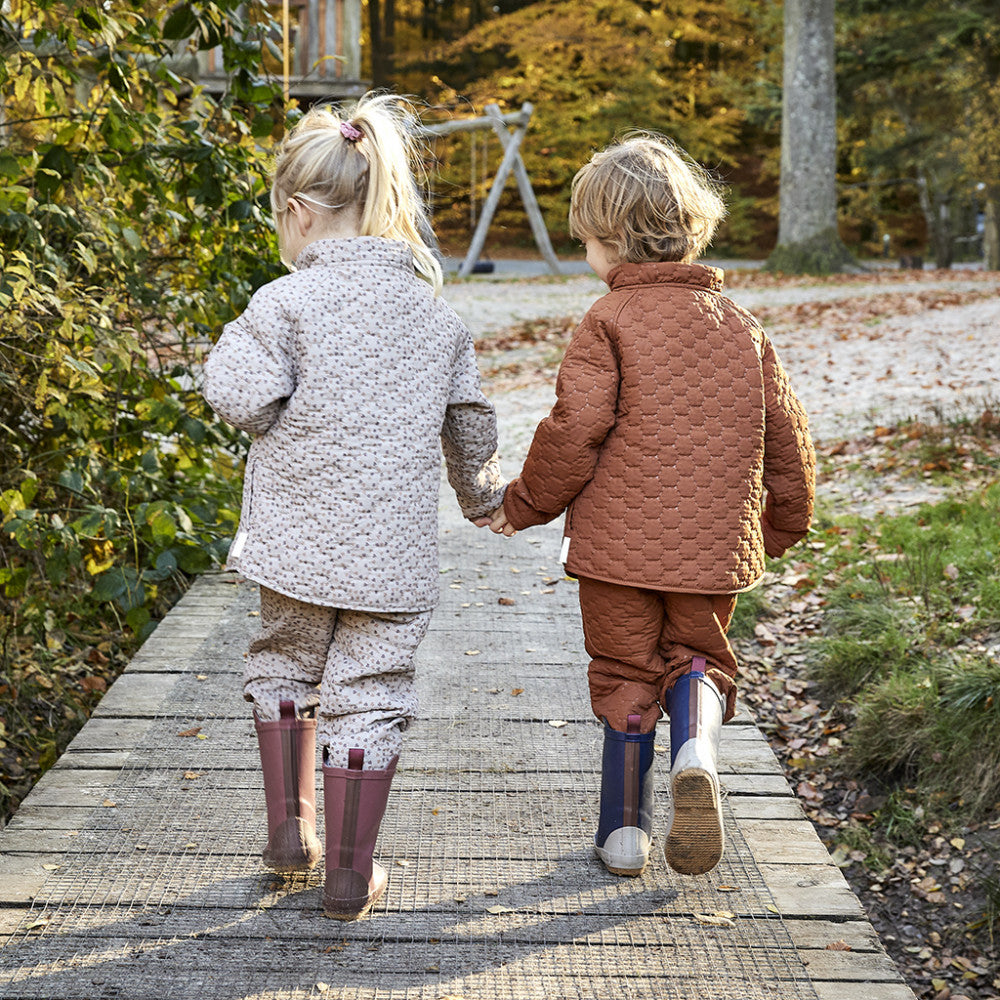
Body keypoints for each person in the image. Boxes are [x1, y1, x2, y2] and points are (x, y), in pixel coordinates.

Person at [202, 93, 506, 919]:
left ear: (297, 211)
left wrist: (233, 344)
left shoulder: (283, 303)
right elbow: (470, 423)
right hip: (391, 560)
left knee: (284, 668)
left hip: (295, 551)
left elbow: (244, 402)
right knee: (372, 691)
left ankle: (287, 830)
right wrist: (480, 497)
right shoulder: (434, 319)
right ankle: (345, 872)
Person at [487, 135, 815, 878]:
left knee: (624, 673)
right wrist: (783, 522)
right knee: (696, 659)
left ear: (611, 243)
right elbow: (787, 435)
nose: (589, 263)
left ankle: (624, 836)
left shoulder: (607, 322)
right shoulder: (743, 329)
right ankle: (696, 748)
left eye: (587, 246)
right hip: (712, 549)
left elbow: (576, 428)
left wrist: (526, 503)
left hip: (614, 552)